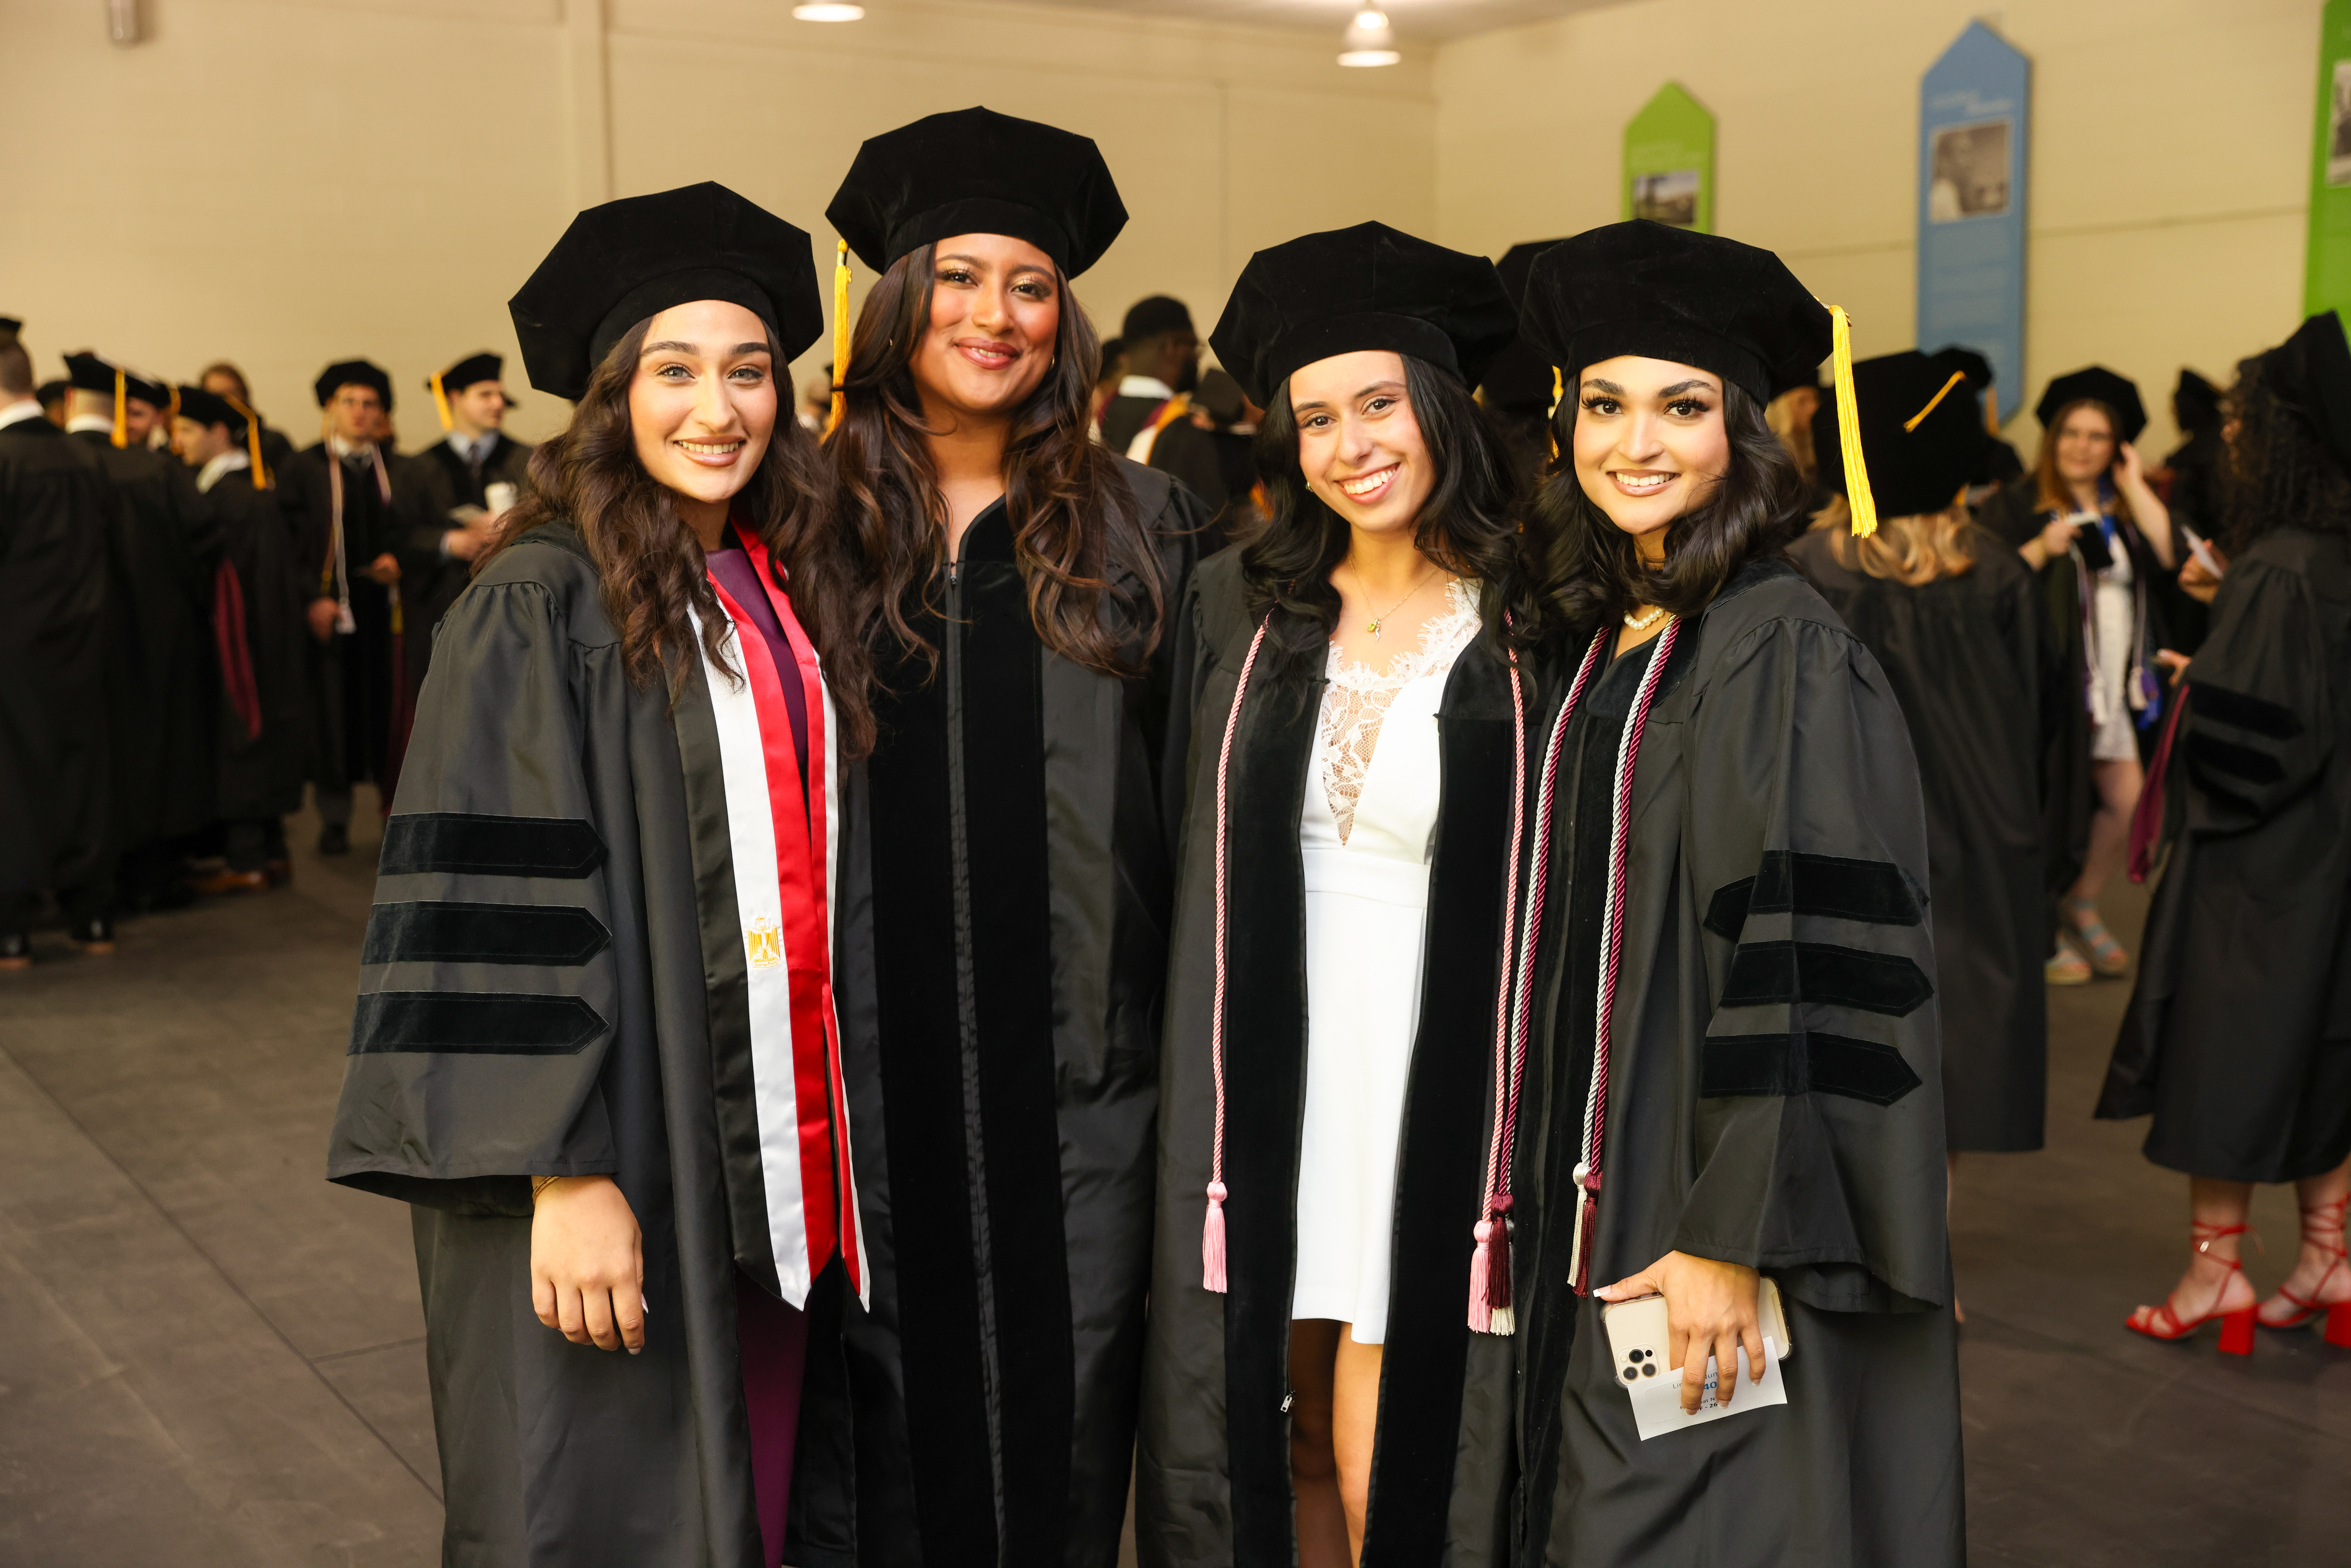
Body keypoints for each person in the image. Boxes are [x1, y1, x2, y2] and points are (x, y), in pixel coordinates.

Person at [327, 181, 867, 1567]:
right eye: (674, 371)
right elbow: (481, 903)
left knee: (749, 1479)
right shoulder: (540, 599)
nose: (719, 408)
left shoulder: (767, 581)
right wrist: (558, 1176)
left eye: (750, 371)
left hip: (759, 1151)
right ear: (613, 395)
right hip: (615, 1143)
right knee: (605, 1502)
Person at [1510, 220, 1961, 1566]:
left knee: (1700, 1509)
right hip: (1587, 1165)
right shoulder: (1612, 626)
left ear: (1745, 432)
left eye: (1683, 407)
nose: (1635, 443)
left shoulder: (1782, 649)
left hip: (1703, 1196)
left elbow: (1818, 958)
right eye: (1605, 404)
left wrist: (1729, 1238)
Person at [819, 106, 1204, 1567]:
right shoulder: (802, 525)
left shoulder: (1148, 527)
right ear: (900, 299)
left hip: (1085, 1090)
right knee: (874, 1449)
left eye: (1031, 285)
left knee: (1070, 1422)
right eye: (963, 277)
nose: (998, 316)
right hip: (861, 1085)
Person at [1138, 222, 1531, 1568]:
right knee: (1272, 1421)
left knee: (1384, 1425)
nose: (1350, 443)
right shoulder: (1239, 602)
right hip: (1259, 1060)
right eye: (1316, 417)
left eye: (1380, 404)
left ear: (1444, 409)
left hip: (1419, 1065)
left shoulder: (1530, 619)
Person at [2098, 311, 2351, 1356]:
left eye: (2246, 426)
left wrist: (2197, 685)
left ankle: (2215, 1274)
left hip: (2257, 869)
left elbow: (2254, 743)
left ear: (2284, 438)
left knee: (2227, 1053)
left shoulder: (2278, 565)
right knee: (2322, 1052)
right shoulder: (2328, 557)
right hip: (2333, 856)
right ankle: (2328, 1255)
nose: (2231, 442)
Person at [1790, 351, 2055, 1305]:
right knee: (1943, 1057)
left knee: (1850, 1045)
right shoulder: (1998, 570)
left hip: (1850, 833)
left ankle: (1853, 1246)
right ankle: (1918, 1243)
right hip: (1981, 846)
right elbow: (2040, 716)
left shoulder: (1804, 573)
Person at [1977, 368, 2176, 983]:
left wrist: (2134, 483)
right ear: (2052, 437)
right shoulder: (2016, 505)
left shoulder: (2121, 509)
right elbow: (1981, 587)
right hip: (2049, 690)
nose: (2081, 446)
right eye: (2071, 432)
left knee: (2130, 799)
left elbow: (2173, 556)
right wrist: (2040, 548)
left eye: (2097, 436)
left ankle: (2081, 900)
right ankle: (2037, 929)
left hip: (2112, 686)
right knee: (2048, 811)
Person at [62, 351, 221, 918]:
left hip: (73, 647)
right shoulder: (155, 472)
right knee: (156, 750)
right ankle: (151, 873)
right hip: (157, 641)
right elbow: (203, 545)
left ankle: (84, 884)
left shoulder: (59, 467)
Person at [0, 327, 115, 968]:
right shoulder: (86, 457)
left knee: (12, 781)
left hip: (13, 649)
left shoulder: (4, 459)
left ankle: (10, 926)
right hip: (87, 640)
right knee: (83, 774)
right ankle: (93, 912)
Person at [172, 384, 309, 893]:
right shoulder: (250, 491)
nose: (177, 438)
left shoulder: (226, 498)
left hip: (239, 637)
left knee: (242, 727)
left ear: (218, 432)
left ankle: (247, 856)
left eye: (187, 429)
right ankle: (272, 853)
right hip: (267, 637)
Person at [276, 358, 417, 852]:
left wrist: (400, 558)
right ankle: (334, 819)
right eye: (349, 402)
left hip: (389, 615)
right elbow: (287, 544)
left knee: (389, 712)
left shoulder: (399, 469)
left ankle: (390, 813)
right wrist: (310, 598)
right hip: (329, 616)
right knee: (331, 716)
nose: (360, 412)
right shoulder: (302, 468)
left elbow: (414, 531)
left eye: (370, 404)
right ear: (330, 408)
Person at [404, 352, 533, 694]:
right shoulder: (419, 468)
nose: (498, 403)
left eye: (500, 395)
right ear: (455, 398)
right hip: (440, 604)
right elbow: (399, 535)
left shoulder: (530, 461)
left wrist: (515, 531)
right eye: (485, 395)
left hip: (514, 609)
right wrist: (449, 542)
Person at [2152, 366, 2225, 655]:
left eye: (2175, 409)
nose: (2173, 416)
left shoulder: (2207, 451)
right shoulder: (2194, 448)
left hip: (2202, 557)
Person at [1100, 294, 1200, 455]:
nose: (1196, 358)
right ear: (1172, 347)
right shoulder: (1184, 429)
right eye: (1193, 347)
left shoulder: (1090, 424)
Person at [200, 360, 298, 476]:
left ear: (245, 395)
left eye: (233, 394)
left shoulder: (273, 443)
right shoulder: (200, 446)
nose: (227, 402)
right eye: (217, 396)